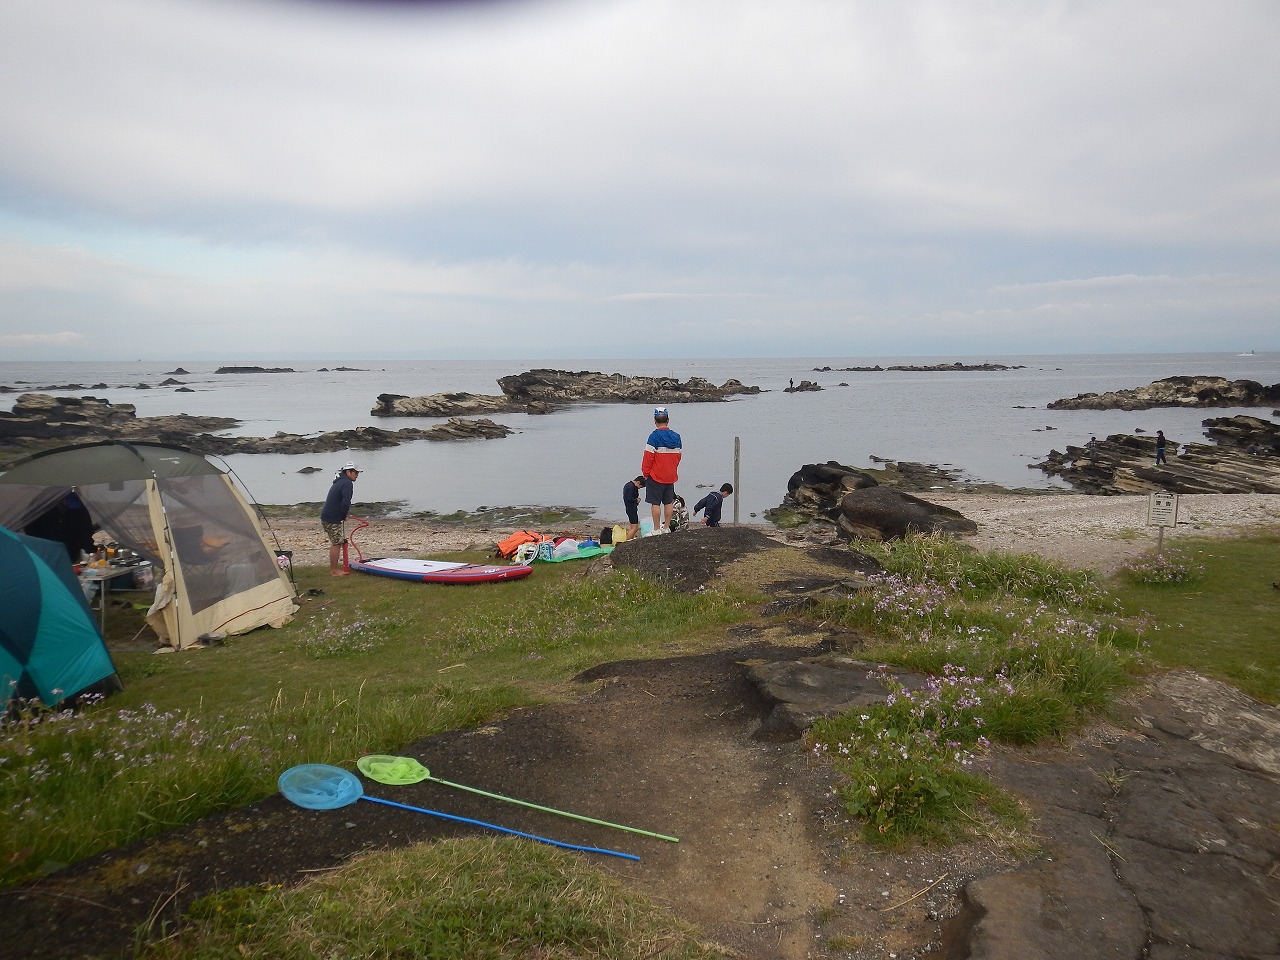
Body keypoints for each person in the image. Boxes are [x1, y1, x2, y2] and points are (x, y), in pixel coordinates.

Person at [640, 407, 682, 534]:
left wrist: (646, 473)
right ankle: (667, 527)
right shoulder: (676, 437)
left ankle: (657, 528)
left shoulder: (654, 437)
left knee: (655, 503)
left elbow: (648, 457)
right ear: (668, 420)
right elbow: (678, 456)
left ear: (655, 421)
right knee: (668, 502)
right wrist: (672, 469)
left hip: (656, 475)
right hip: (670, 475)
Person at [320, 460, 360, 576]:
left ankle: (335, 569)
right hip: (332, 518)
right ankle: (334, 571)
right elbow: (345, 502)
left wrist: (342, 515)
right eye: (355, 473)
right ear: (348, 472)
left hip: (328, 516)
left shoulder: (339, 481)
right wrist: (343, 515)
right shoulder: (347, 483)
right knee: (336, 543)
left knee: (338, 542)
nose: (357, 475)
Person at [623, 475, 645, 541]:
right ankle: (628, 541)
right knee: (635, 527)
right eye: (640, 487)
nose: (639, 488)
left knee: (632, 526)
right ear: (638, 482)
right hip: (631, 508)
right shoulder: (631, 487)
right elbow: (628, 498)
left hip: (630, 508)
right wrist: (636, 500)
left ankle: (630, 538)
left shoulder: (628, 485)